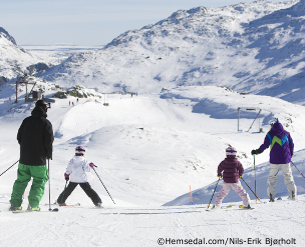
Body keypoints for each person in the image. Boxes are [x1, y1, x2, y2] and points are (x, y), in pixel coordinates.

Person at [9, 100, 53, 211]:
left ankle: (15, 205)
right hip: (38, 160)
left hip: (24, 159)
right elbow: (48, 141)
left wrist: (26, 149)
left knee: (21, 181)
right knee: (39, 180)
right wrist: (48, 154)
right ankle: (33, 206)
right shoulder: (45, 123)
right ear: (45, 109)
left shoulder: (26, 121)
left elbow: (19, 137)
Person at [251, 118, 296, 201]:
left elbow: (265, 145)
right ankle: (293, 195)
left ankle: (271, 197)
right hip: (286, 159)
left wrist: (257, 151)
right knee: (288, 176)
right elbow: (291, 145)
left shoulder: (270, 134)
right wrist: (290, 154)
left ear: (272, 126)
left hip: (275, 160)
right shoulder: (286, 134)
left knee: (272, 178)